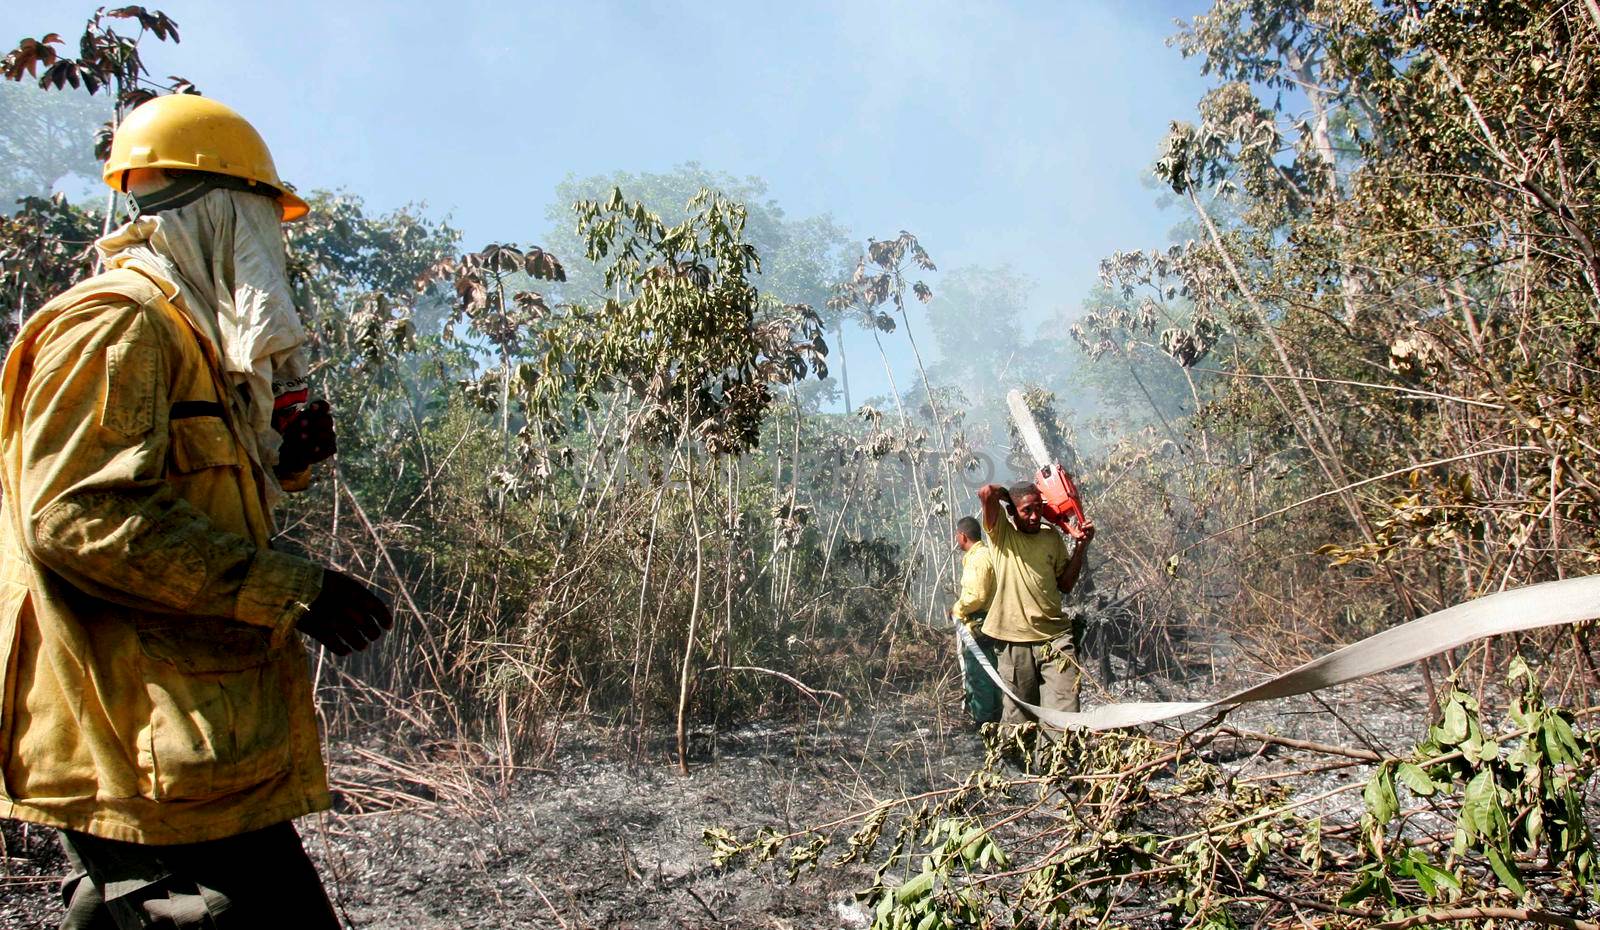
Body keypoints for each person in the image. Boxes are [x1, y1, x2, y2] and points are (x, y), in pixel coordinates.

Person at [0, 94, 393, 929]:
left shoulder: (187, 342)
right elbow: (77, 516)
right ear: (213, 213)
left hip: (182, 742)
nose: (268, 252)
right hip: (129, 736)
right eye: (257, 220)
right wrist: (294, 588)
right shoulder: (116, 325)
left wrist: (277, 458)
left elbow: (177, 492)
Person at [976, 480, 1094, 729]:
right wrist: (1009, 499)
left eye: (1039, 509)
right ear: (1011, 511)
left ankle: (1056, 766)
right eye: (1026, 510)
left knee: (1065, 711)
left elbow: (1065, 585)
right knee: (1019, 719)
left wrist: (1081, 547)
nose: (1034, 516)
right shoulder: (1001, 534)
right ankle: (1017, 765)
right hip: (1014, 641)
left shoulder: (1051, 537)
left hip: (1055, 637)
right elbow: (986, 493)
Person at [949, 516, 1001, 725]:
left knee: (979, 675)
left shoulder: (978, 558)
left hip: (980, 624)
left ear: (962, 536)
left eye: (956, 535)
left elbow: (976, 596)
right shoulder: (987, 554)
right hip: (992, 621)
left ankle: (984, 722)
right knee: (992, 671)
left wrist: (956, 609)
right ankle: (994, 718)